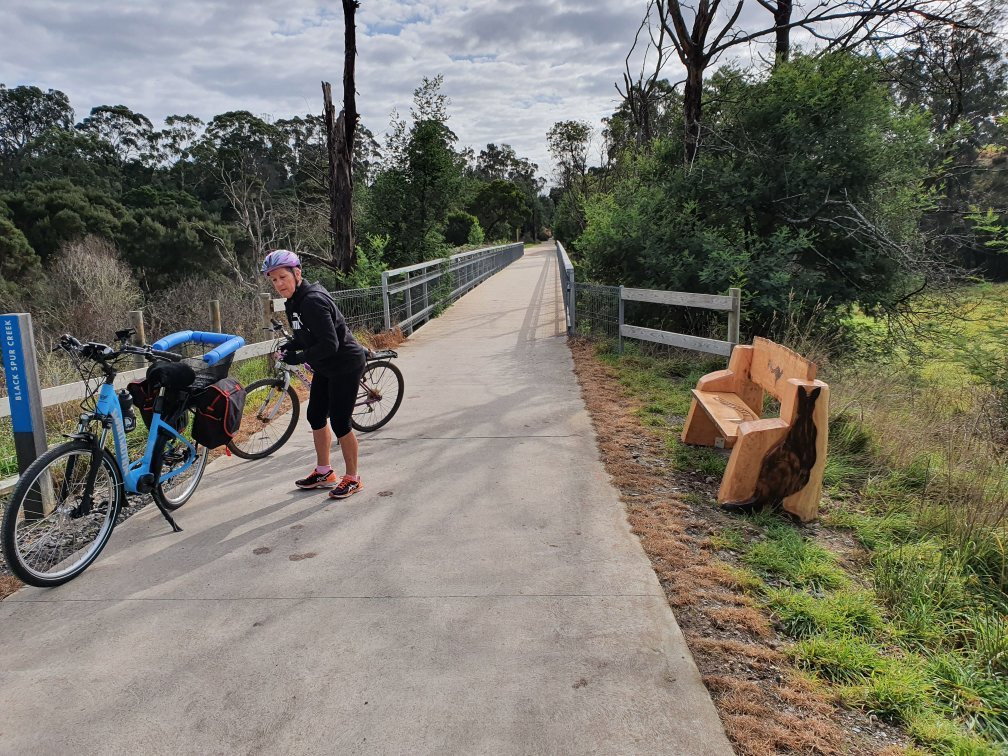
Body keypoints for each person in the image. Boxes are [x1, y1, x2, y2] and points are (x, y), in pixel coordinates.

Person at [261, 249, 368, 499]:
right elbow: (305, 336)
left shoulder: (312, 300)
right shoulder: (294, 301)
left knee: (341, 422)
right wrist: (291, 346)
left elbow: (330, 344)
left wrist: (300, 357)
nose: (278, 284)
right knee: (316, 415)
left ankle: (353, 478)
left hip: (345, 363)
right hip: (325, 365)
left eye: (282, 277)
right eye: (273, 280)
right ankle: (324, 472)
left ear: (297, 273)